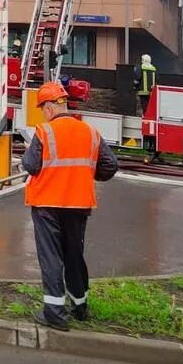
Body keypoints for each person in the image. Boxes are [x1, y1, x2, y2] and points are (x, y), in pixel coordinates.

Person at [21, 81, 118, 331]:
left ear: (51, 107)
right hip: (78, 204)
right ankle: (80, 305)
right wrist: (84, 175)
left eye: (43, 107)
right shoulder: (90, 132)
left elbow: (31, 166)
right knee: (74, 253)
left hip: (47, 205)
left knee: (51, 256)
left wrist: (28, 153)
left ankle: (54, 313)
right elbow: (110, 166)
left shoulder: (44, 132)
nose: (43, 112)